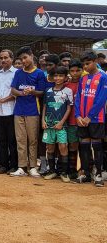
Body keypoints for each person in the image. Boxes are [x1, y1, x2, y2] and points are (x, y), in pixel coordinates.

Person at [10, 46, 46, 177]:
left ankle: (33, 167)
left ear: (31, 56)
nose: (23, 61)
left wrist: (32, 92)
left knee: (33, 140)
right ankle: (22, 167)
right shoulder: (18, 73)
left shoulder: (39, 73)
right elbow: (13, 90)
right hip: (18, 110)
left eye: (25, 57)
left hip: (33, 111)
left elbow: (42, 92)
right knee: (20, 140)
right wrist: (20, 93)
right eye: (21, 59)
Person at [74, 51, 107, 187]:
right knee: (84, 146)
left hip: (96, 119)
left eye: (88, 63)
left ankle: (98, 174)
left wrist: (89, 116)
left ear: (95, 61)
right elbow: (78, 98)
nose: (85, 66)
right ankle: (86, 174)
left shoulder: (103, 77)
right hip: (82, 119)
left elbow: (101, 99)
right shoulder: (83, 79)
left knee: (97, 146)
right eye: (84, 64)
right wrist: (78, 116)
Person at [42, 66, 73, 182]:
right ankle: (52, 171)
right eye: (55, 75)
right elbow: (45, 106)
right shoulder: (48, 91)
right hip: (48, 124)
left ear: (65, 77)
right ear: (52, 77)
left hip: (61, 125)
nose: (58, 78)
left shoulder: (68, 91)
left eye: (60, 76)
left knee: (62, 146)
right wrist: (43, 121)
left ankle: (64, 173)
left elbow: (69, 109)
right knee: (49, 147)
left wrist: (61, 122)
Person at [0, 50, 18, 174]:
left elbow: (16, 93)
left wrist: (3, 100)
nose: (3, 60)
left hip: (11, 111)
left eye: (6, 58)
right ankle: (3, 165)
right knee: (1, 140)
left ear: (11, 59)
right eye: (1, 58)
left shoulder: (16, 73)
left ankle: (13, 166)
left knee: (12, 140)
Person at [64, 60, 82, 179]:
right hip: (71, 121)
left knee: (85, 146)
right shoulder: (66, 86)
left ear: (82, 71)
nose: (75, 73)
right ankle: (72, 170)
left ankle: (87, 170)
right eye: (72, 71)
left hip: (84, 120)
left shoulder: (85, 83)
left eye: (77, 70)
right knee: (72, 145)